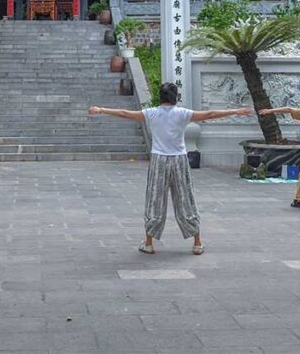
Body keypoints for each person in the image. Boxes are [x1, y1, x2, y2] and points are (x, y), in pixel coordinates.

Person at [89, 82, 251, 255]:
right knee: (186, 198)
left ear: (161, 96)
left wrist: (101, 109)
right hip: (179, 160)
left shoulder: (151, 113)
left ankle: (149, 243)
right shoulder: (182, 113)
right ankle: (197, 243)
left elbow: (125, 113)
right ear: (175, 97)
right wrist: (235, 111)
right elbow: (210, 114)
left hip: (159, 160)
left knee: (154, 199)